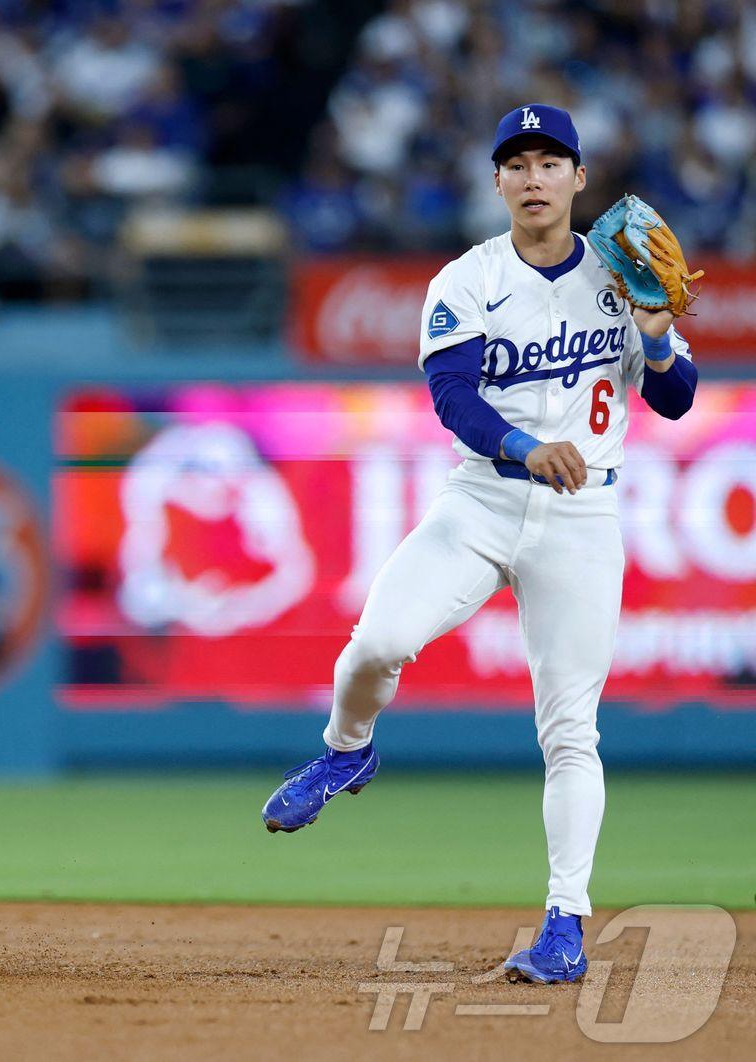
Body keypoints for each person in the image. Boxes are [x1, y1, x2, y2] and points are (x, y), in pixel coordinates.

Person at [260, 105, 699, 984]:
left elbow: (678, 399)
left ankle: (565, 924)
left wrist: (656, 342)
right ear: (496, 182)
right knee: (375, 645)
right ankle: (347, 751)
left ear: (579, 178)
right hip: (483, 500)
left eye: (551, 162)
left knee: (571, 731)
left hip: (583, 518)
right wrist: (525, 447)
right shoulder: (468, 279)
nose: (534, 177)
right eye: (518, 164)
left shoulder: (622, 275)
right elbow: (452, 397)